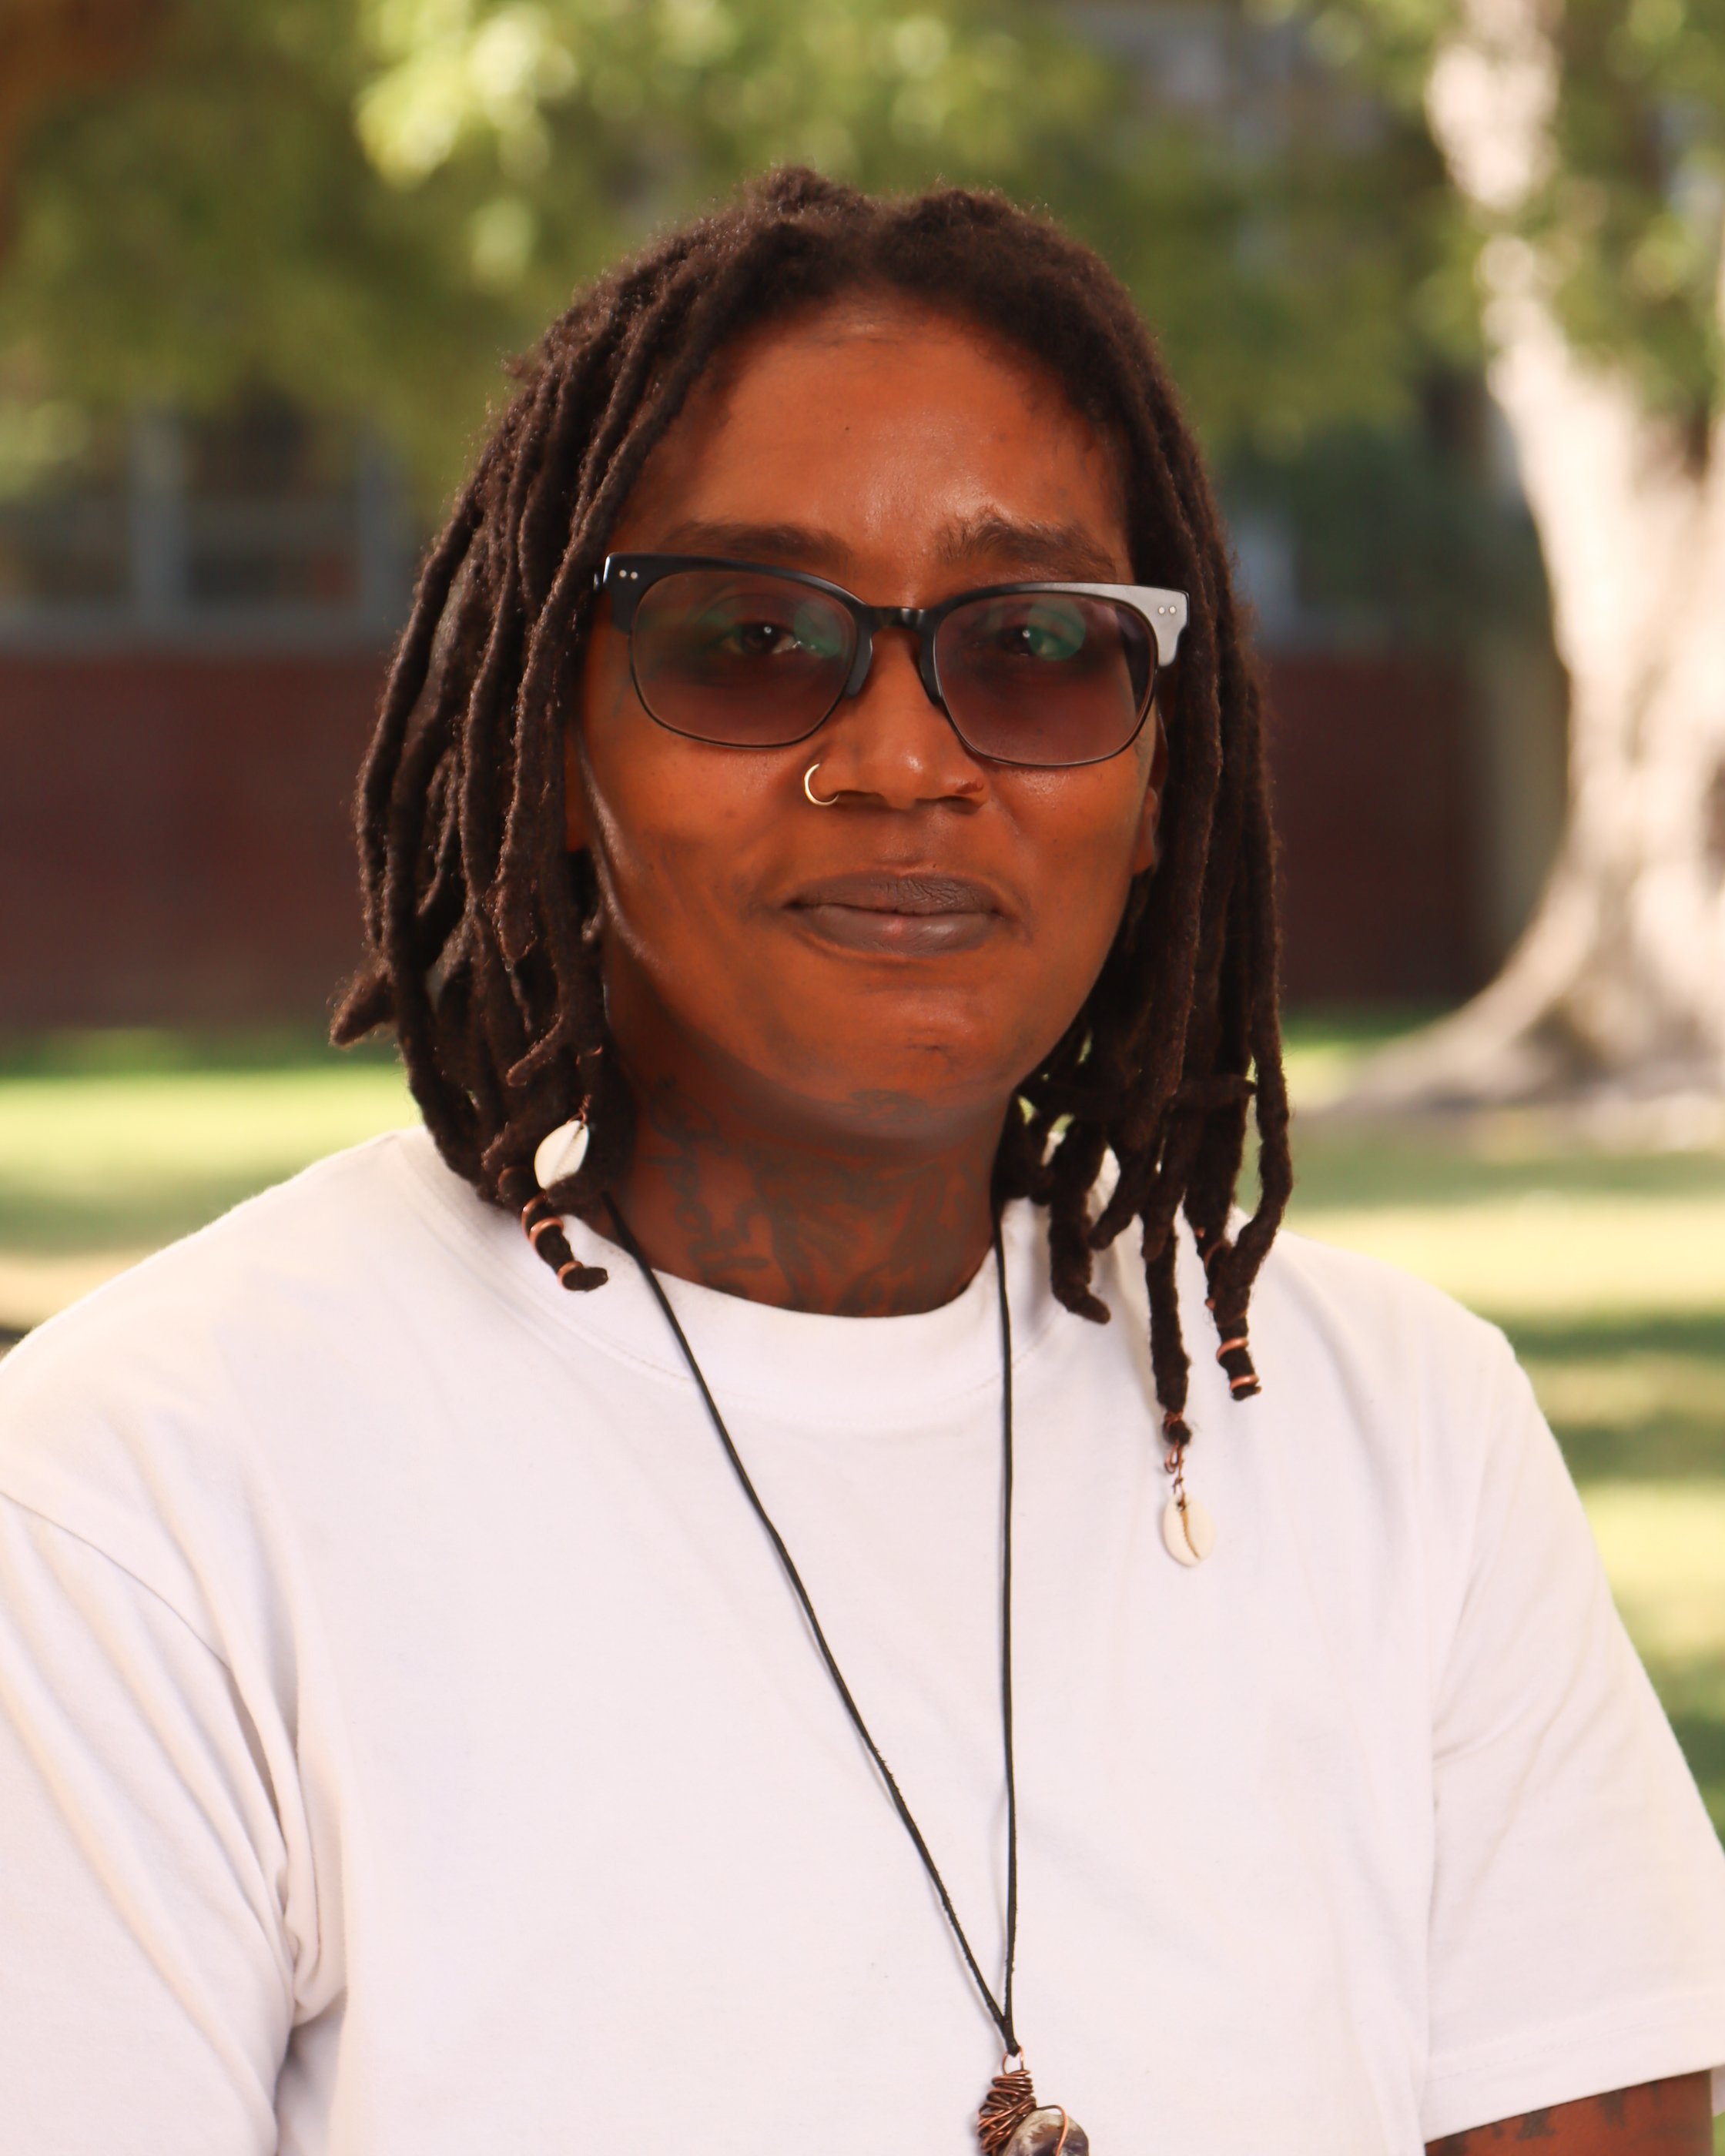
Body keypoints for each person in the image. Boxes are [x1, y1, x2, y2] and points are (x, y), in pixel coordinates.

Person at [2, 171, 1722, 2156]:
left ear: (1158, 775)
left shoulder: (1405, 1440)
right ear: (556, 747)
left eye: (1038, 647)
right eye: (750, 639)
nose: (905, 763)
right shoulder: (150, 1496)